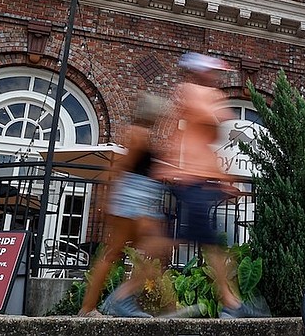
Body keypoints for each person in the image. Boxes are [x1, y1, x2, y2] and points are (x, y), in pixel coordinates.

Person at [154, 52, 256, 319]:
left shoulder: (206, 95)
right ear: (199, 72)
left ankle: (229, 302)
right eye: (211, 71)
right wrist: (216, 110)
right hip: (190, 180)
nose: (215, 76)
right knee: (204, 243)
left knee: (199, 241)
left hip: (198, 180)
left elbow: (209, 140)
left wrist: (225, 181)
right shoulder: (191, 91)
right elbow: (208, 119)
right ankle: (229, 304)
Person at [78, 93, 167, 318]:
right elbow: (122, 168)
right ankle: (97, 305)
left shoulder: (141, 133)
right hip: (134, 200)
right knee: (122, 253)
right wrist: (109, 199)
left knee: (150, 250)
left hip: (138, 198)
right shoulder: (138, 134)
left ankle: (118, 300)